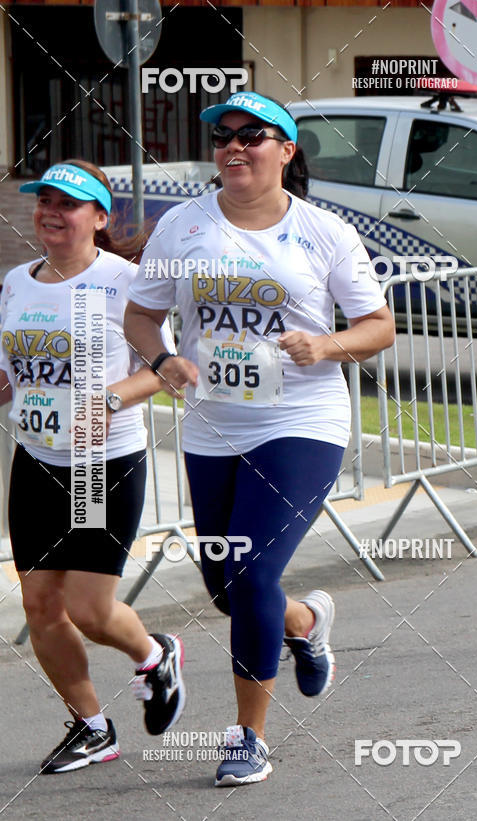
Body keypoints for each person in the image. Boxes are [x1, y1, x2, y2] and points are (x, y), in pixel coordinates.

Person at [124, 92, 395, 787]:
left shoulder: (325, 232)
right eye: (223, 137)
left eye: (253, 135)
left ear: (287, 150)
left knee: (250, 575)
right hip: (215, 423)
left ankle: (248, 736)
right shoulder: (180, 227)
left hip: (301, 420)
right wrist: (162, 362)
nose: (234, 147)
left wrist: (327, 343)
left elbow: (378, 326)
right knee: (227, 586)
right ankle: (304, 620)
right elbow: (141, 316)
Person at [0, 160, 185, 774]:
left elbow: (164, 369)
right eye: (44, 200)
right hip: (35, 459)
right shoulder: (15, 282)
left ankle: (154, 655)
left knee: (88, 609)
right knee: (39, 606)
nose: (51, 211)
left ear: (100, 218)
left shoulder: (126, 282)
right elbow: (14, 374)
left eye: (68, 204)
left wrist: (107, 400)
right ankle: (91, 726)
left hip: (100, 465)